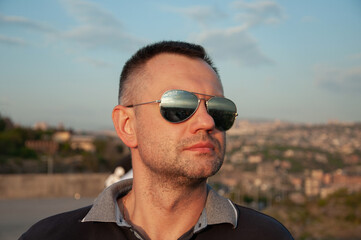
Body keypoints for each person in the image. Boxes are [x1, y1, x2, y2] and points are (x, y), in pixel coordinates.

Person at [19, 41, 293, 240]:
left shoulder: (267, 236)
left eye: (218, 109)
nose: (207, 122)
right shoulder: (52, 236)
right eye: (179, 107)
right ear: (128, 125)